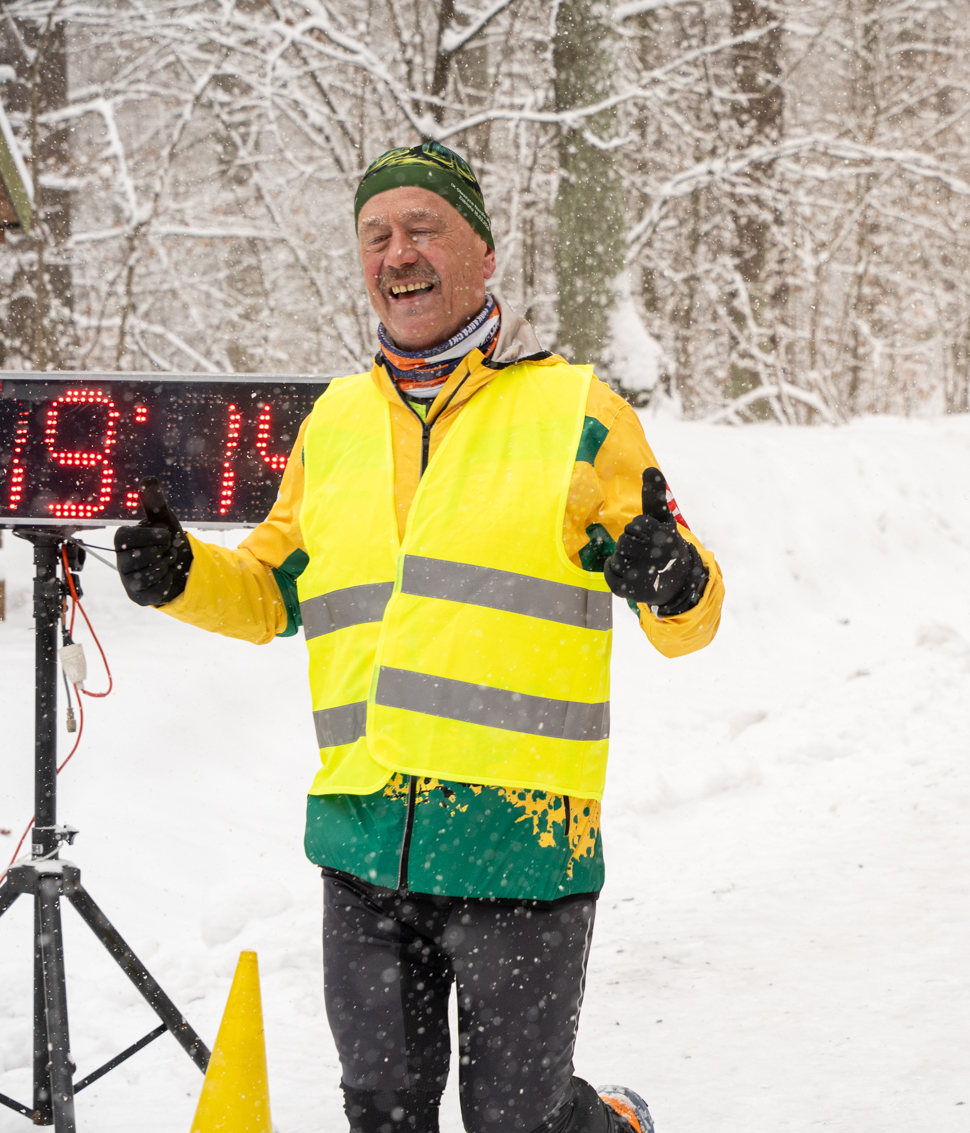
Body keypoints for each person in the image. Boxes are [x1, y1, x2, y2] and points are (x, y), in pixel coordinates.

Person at [113, 141, 723, 1133]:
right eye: (376, 235)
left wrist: (675, 579)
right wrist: (183, 577)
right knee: (382, 1111)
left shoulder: (575, 410)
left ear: (483, 253)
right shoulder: (337, 422)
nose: (398, 255)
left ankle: (603, 1122)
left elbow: (688, 620)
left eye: (423, 229)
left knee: (511, 1119)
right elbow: (271, 589)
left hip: (521, 842)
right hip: (362, 838)